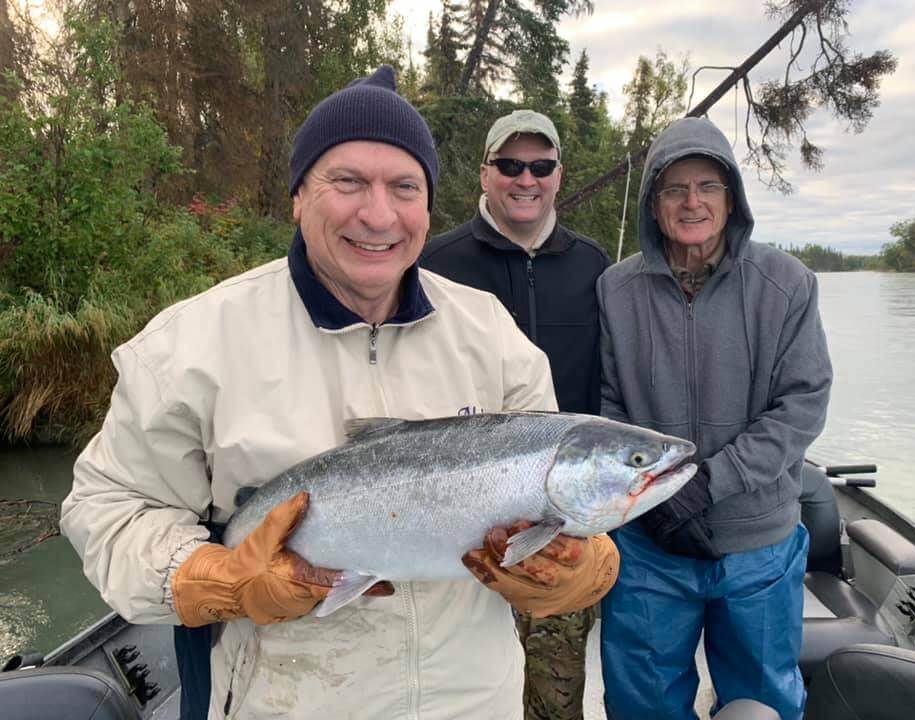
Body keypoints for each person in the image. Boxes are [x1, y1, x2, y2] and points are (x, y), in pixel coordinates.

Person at [60, 65, 619, 720]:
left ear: (428, 205)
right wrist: (218, 580)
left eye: (404, 187)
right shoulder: (193, 344)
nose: (378, 214)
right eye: (348, 182)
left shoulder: (492, 335)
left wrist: (578, 561)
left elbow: (545, 486)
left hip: (475, 702)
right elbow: (107, 506)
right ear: (299, 196)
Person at [596, 116, 832, 720]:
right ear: (653, 202)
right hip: (651, 545)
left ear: (733, 199)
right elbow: (609, 406)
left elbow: (801, 404)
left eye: (708, 186)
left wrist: (708, 482)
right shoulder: (615, 290)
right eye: (674, 188)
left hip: (760, 546)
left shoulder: (787, 284)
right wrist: (650, 500)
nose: (692, 202)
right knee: (641, 703)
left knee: (763, 700)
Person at [420, 109, 610, 720]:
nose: (524, 178)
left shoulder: (593, 264)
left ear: (558, 174)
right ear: (484, 173)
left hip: (565, 518)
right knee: (466, 687)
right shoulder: (432, 263)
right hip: (462, 522)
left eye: (540, 166)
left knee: (558, 695)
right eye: (509, 165)